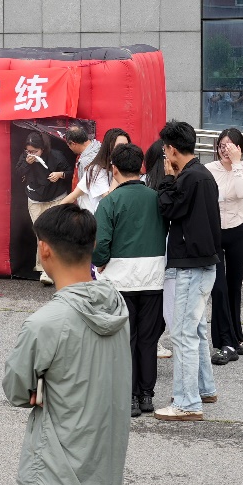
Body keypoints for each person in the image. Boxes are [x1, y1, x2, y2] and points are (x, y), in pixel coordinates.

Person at [3, 204, 130, 485]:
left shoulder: (45, 323)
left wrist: (41, 387)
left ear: (44, 249)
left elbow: (16, 389)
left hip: (56, 475)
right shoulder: (117, 306)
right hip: (103, 471)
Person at [153, 120, 222, 422]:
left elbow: (167, 208)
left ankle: (187, 402)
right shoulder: (203, 174)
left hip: (190, 266)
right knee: (196, 330)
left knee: (182, 334)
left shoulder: (189, 177)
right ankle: (204, 389)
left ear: (171, 149)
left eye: (165, 150)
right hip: (204, 264)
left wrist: (168, 179)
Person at [92, 144, 167, 418]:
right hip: (154, 277)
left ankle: (130, 396)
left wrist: (100, 262)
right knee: (148, 339)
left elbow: (101, 244)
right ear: (141, 167)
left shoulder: (109, 202)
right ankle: (147, 395)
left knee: (126, 340)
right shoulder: (156, 198)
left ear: (114, 169)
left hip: (120, 279)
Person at [207, 127, 243, 363]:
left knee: (234, 286)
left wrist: (236, 164)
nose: (224, 150)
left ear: (239, 148)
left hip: (237, 230)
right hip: (214, 232)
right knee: (218, 288)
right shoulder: (209, 169)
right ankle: (224, 342)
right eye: (221, 145)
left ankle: (236, 337)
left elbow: (241, 192)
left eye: (229, 145)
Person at [16, 132, 71, 285]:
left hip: (56, 197)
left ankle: (56, 269)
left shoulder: (56, 155)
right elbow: (18, 172)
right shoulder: (25, 157)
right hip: (35, 199)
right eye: (28, 151)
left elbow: (70, 172)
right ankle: (44, 270)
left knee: (54, 233)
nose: (31, 154)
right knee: (41, 234)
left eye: (35, 151)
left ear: (43, 148)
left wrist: (60, 174)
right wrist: (27, 163)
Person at [143, 139, 174, 360]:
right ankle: (152, 341)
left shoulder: (143, 184)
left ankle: (150, 341)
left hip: (148, 252)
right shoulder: (172, 185)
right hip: (167, 253)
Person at [60, 127, 130, 214]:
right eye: (119, 146)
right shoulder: (96, 168)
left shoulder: (90, 161)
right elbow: (77, 193)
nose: (123, 150)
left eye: (126, 146)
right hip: (93, 215)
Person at [63, 125, 101, 194]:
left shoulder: (85, 162)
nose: (70, 149)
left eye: (69, 146)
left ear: (73, 144)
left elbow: (85, 189)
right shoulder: (99, 146)